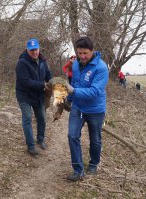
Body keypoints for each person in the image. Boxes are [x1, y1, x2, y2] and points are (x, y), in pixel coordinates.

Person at [64, 37, 109, 181]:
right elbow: (75, 83)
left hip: (96, 109)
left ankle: (93, 164)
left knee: (95, 140)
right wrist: (69, 100)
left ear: (92, 51)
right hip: (78, 107)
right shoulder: (76, 64)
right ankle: (78, 169)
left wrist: (73, 91)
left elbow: (95, 91)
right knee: (72, 136)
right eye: (79, 53)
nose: (82, 56)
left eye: (85, 53)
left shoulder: (101, 68)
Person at [15, 38, 53, 156]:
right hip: (24, 95)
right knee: (27, 118)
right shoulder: (22, 63)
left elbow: (48, 74)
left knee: (42, 118)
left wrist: (52, 83)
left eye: (35, 49)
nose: (34, 52)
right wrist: (43, 85)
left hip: (38, 95)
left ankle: (40, 140)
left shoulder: (42, 60)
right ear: (27, 49)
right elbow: (26, 82)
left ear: (39, 48)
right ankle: (31, 147)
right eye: (31, 50)